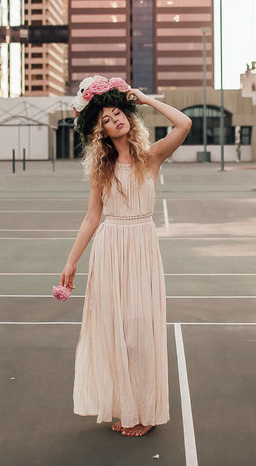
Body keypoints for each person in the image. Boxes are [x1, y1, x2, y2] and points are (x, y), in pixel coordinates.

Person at [60, 76, 192, 437]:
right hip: (109, 250)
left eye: (119, 112)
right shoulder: (100, 170)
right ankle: (128, 406)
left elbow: (184, 124)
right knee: (115, 332)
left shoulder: (151, 158)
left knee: (139, 333)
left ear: (129, 117)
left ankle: (146, 411)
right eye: (106, 118)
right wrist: (71, 261)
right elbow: (92, 217)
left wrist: (146, 100)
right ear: (100, 131)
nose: (115, 119)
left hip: (141, 247)